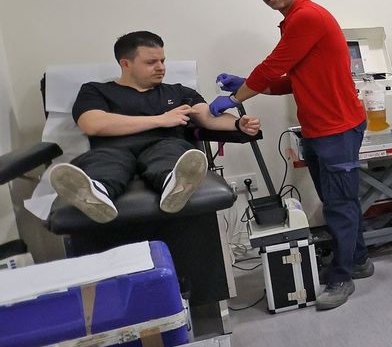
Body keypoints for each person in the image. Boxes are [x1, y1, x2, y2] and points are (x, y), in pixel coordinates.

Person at [212, 0, 370, 311]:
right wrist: (248, 84)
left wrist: (236, 97)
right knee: (339, 202)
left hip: (337, 128)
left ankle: (342, 276)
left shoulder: (307, 17)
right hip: (319, 128)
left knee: (340, 205)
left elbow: (273, 67)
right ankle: (358, 260)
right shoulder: (294, 22)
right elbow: (288, 80)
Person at [49, 30, 262, 223]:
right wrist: (161, 120)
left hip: (164, 145)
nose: (161, 67)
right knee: (104, 163)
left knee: (170, 154)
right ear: (126, 64)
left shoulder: (178, 92)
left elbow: (206, 116)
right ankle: (96, 193)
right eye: (151, 62)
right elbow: (92, 124)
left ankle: (174, 185)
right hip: (112, 150)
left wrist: (236, 123)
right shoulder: (96, 91)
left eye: (162, 60)